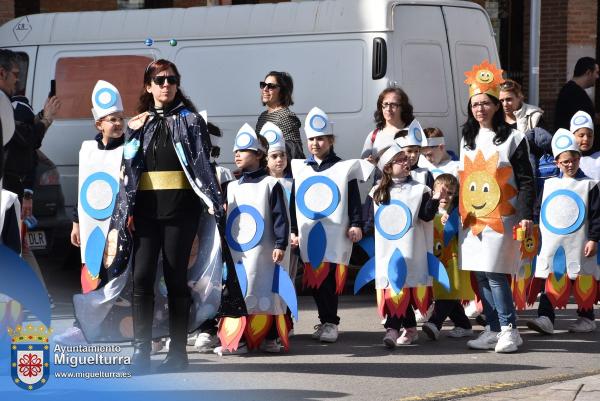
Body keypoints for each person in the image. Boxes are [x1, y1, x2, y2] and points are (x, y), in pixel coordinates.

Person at [72, 59, 228, 374]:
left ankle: (178, 353)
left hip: (179, 214)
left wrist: (208, 209)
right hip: (144, 215)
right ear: (149, 86)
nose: (166, 85)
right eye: (159, 80)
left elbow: (201, 169)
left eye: (171, 79)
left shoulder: (191, 121)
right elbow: (126, 170)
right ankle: (141, 352)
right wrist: (130, 133)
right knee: (140, 280)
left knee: (175, 280)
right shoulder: (138, 124)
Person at [460, 60, 535, 353]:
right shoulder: (467, 138)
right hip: (473, 217)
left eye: (485, 103)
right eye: (475, 104)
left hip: (502, 217)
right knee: (480, 272)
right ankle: (492, 328)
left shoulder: (514, 138)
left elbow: (527, 180)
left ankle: (509, 329)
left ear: (496, 106)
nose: (480, 109)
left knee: (495, 272)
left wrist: (527, 216)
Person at [291, 107, 373, 343]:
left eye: (320, 139)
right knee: (314, 280)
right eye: (312, 139)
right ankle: (324, 319)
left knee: (328, 280)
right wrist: (294, 231)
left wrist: (356, 224)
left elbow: (353, 199)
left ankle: (331, 322)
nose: (315, 144)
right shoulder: (301, 169)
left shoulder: (343, 168)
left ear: (330, 140)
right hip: (309, 235)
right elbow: (293, 202)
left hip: (335, 233)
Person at [54, 80, 126, 345]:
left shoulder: (129, 151)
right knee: (93, 272)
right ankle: (82, 328)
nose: (117, 124)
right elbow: (83, 187)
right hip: (93, 224)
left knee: (119, 278)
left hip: (121, 226)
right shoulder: (88, 150)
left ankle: (123, 329)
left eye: (120, 118)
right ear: (99, 124)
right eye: (111, 119)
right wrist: (76, 223)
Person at [215, 124, 294, 355]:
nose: (236, 154)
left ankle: (270, 338)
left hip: (265, 252)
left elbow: (281, 217)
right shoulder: (230, 187)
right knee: (238, 291)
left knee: (265, 290)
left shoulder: (271, 185)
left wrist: (281, 244)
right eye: (235, 151)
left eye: (243, 150)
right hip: (237, 252)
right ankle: (237, 341)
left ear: (259, 154)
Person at [362, 143, 441, 347]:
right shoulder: (378, 191)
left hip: (411, 247)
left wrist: (434, 200)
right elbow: (369, 218)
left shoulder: (419, 189)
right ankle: (407, 328)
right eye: (401, 160)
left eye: (406, 158)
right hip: (388, 249)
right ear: (388, 167)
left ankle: (394, 328)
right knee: (394, 286)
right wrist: (358, 229)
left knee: (404, 286)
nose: (406, 162)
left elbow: (425, 215)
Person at [527, 129, 599, 335]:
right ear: (557, 162)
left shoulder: (590, 185)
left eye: (574, 160)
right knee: (551, 274)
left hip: (580, 240)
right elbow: (538, 209)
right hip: (552, 243)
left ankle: (586, 317)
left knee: (581, 276)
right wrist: (533, 228)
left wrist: (594, 238)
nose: (570, 164)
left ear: (579, 160)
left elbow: (596, 215)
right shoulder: (550, 185)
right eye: (565, 161)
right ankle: (545, 317)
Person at [422, 174, 475, 341]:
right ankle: (464, 325)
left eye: (450, 193)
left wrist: (454, 224)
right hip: (436, 261)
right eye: (442, 192)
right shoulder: (429, 212)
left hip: (452, 260)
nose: (445, 197)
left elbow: (466, 235)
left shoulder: (458, 214)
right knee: (445, 293)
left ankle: (434, 323)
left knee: (448, 292)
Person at [255, 71, 305, 160]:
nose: (265, 89)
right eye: (263, 85)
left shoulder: (286, 117)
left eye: (271, 86)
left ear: (282, 91)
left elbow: (295, 154)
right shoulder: (263, 116)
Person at [555, 57, 599, 150]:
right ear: (588, 72)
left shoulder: (574, 91)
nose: (597, 77)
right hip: (576, 152)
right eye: (596, 72)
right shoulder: (572, 92)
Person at [361, 87, 414, 162]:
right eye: (385, 104)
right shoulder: (374, 135)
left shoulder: (412, 133)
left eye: (393, 105)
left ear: (403, 107)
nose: (388, 109)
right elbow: (363, 166)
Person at [570, 111, 600, 180]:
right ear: (572, 136)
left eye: (590, 136)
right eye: (581, 135)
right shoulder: (567, 161)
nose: (586, 139)